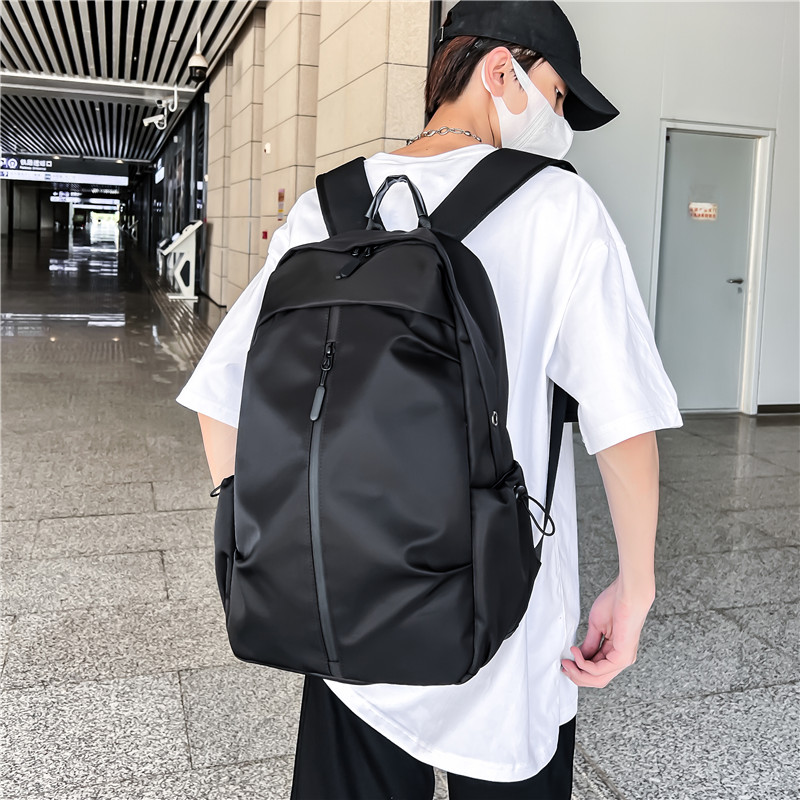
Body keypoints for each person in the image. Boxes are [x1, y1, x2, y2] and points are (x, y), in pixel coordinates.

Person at [177, 1, 682, 796]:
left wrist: (266, 539)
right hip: (506, 640)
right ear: (500, 71)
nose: (559, 125)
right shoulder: (560, 208)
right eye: (555, 97)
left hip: (345, 631)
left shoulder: (327, 208)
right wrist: (636, 587)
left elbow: (222, 397)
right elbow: (623, 423)